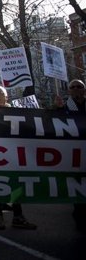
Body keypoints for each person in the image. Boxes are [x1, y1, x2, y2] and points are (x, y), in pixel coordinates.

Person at [0, 85, 37, 230]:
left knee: (16, 185)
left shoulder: (16, 110)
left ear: (6, 96)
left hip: (14, 155)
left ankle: (18, 217)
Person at [55, 79, 86, 229]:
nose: (76, 89)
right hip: (74, 154)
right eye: (72, 87)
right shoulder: (65, 107)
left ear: (84, 89)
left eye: (79, 86)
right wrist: (58, 109)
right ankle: (80, 218)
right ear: (69, 91)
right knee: (78, 187)